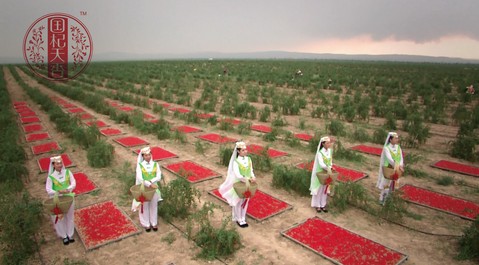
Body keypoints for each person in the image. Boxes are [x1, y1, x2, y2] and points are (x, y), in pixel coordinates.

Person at [219, 141, 256, 228]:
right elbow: (238, 174)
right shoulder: (236, 161)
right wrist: (247, 179)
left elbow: (251, 170)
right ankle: (239, 218)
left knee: (246, 200)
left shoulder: (249, 159)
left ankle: (243, 217)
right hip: (240, 183)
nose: (245, 151)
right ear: (238, 151)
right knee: (239, 201)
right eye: (243, 150)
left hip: (248, 183)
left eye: (246, 149)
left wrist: (253, 177)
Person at [45, 155, 76, 245]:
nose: (60, 165)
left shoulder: (67, 172)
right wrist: (58, 191)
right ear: (53, 165)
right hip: (57, 199)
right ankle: (64, 236)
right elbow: (48, 189)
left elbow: (73, 182)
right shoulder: (51, 177)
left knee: (70, 216)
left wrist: (68, 189)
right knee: (59, 217)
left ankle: (70, 234)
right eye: (57, 164)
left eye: (61, 163)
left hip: (68, 197)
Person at [132, 146, 162, 232]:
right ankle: (146, 224)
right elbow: (140, 178)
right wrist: (148, 184)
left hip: (154, 188)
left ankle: (154, 222)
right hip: (144, 188)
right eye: (145, 155)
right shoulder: (140, 166)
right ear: (143, 156)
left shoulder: (155, 164)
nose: (148, 157)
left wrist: (152, 181)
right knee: (144, 206)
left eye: (149, 155)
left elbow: (158, 176)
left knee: (154, 205)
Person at [376, 132, 404, 205]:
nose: (397, 140)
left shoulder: (398, 147)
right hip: (389, 168)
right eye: (395, 138)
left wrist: (400, 165)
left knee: (393, 184)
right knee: (386, 184)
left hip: (397, 168)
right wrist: (398, 166)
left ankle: (389, 199)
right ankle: (382, 199)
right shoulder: (386, 148)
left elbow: (401, 157)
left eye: (397, 138)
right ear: (390, 139)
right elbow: (389, 159)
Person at [310, 136, 335, 213]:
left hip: (328, 171)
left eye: (329, 143)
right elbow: (321, 164)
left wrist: (330, 167)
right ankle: (317, 205)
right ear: (323, 144)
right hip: (321, 172)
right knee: (319, 188)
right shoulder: (320, 153)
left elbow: (330, 161)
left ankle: (323, 204)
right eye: (327, 143)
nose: (329, 144)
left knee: (325, 188)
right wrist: (328, 168)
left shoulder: (330, 151)